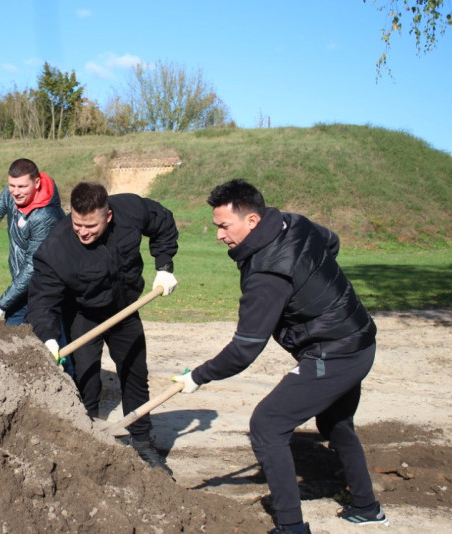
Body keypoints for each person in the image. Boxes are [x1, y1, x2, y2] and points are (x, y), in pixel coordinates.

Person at [172, 179, 387, 534]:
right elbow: (331, 242)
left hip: (334, 353)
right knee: (335, 423)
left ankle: (291, 527)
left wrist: (198, 376)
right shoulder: (294, 222)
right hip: (360, 338)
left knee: (267, 426)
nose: (219, 236)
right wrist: (313, 286)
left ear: (252, 221)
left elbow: (244, 349)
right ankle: (366, 507)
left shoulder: (267, 274)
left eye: (224, 226)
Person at [27, 182, 179, 473]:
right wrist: (47, 337)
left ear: (108, 216)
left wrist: (164, 266)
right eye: (77, 224)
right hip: (83, 314)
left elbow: (163, 222)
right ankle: (88, 441)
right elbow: (42, 298)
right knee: (86, 378)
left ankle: (143, 442)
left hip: (124, 309)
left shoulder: (131, 210)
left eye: (91, 226)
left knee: (135, 374)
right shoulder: (58, 247)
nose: (83, 232)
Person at [0, 158, 65, 325]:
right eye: (11, 186)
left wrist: (1, 305)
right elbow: (2, 202)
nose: (15, 192)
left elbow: (32, 266)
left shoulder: (45, 216)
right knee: (12, 336)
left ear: (36, 183)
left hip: (46, 289)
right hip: (22, 285)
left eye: (22, 186)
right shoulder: (15, 193)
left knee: (47, 338)